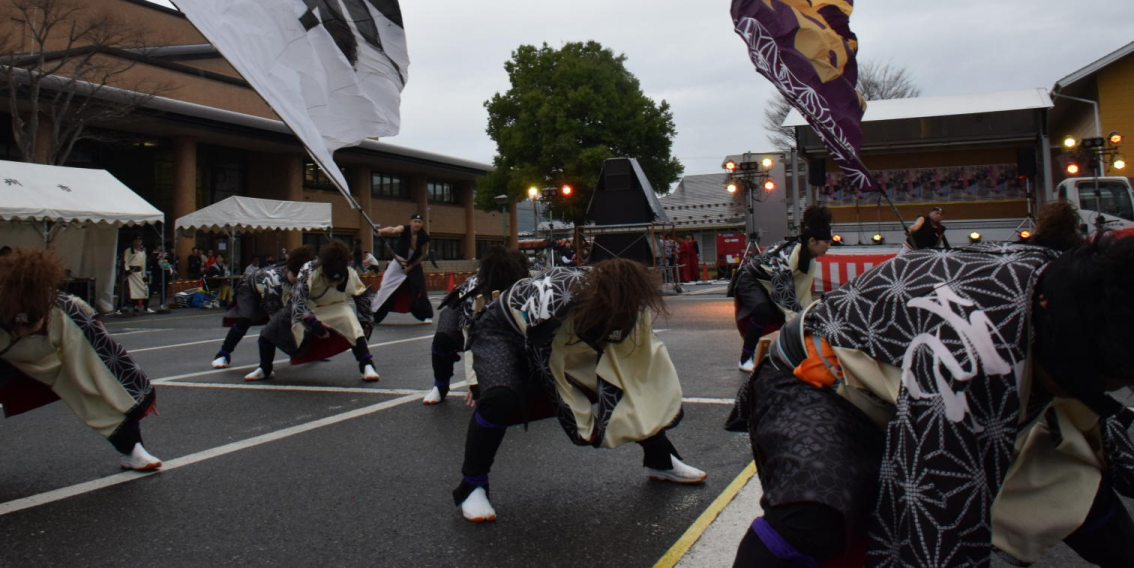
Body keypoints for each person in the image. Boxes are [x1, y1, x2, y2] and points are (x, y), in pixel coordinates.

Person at [729, 235, 1134, 568]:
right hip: (819, 374)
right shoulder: (973, 355)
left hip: (928, 372)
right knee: (819, 510)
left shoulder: (1060, 270)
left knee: (1075, 483)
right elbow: (938, 520)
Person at [453, 259, 707, 523]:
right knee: (499, 397)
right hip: (503, 330)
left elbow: (636, 369)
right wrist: (587, 429)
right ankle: (473, 486)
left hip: (565, 333)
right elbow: (554, 376)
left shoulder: (628, 300)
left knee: (626, 383)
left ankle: (661, 459)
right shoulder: (558, 304)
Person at [0, 249, 160, 486]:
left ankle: (132, 450)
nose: (24, 331)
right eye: (17, 324)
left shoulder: (66, 308)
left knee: (93, 389)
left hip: (45, 362)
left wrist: (139, 394)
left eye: (31, 324)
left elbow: (107, 353)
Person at [247, 241, 378, 382]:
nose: (332, 284)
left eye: (337, 282)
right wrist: (313, 323)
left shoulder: (349, 273)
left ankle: (366, 365)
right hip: (307, 307)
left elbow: (362, 298)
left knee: (352, 324)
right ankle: (264, 368)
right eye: (328, 280)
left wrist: (366, 323)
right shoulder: (308, 269)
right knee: (269, 331)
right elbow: (298, 299)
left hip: (336, 307)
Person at [422, 245, 528, 405]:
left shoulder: (524, 286)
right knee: (443, 339)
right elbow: (473, 339)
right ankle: (440, 385)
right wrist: (475, 383)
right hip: (461, 316)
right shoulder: (475, 292)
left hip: (501, 321)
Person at [732, 206, 833, 372]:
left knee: (795, 316)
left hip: (769, 282)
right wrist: (797, 321)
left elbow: (802, 294)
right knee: (763, 310)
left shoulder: (811, 259)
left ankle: (793, 357)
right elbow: (783, 292)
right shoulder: (791, 252)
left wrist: (807, 317)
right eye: (826, 242)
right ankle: (745, 359)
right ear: (812, 241)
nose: (829, 246)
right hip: (750, 279)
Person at [211, 246, 311, 369]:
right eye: (296, 276)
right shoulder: (272, 281)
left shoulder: (302, 278)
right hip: (249, 289)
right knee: (246, 319)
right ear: (288, 271)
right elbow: (276, 321)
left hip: (273, 292)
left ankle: (307, 352)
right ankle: (223, 354)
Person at [373, 214, 432, 322]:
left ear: (422, 224)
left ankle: (425, 315)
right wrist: (380, 231)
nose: (417, 224)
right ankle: (375, 314)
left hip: (413, 264)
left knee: (419, 289)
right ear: (410, 222)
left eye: (419, 222)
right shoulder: (404, 229)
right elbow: (393, 230)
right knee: (385, 286)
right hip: (398, 261)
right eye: (415, 221)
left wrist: (410, 267)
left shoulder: (424, 237)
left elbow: (422, 255)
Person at [121, 237, 149, 315]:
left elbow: (143, 264)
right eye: (136, 240)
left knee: (142, 290)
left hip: (139, 273)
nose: (138, 242)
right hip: (131, 273)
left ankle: (136, 305)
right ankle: (125, 306)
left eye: (139, 241)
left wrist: (144, 275)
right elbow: (126, 261)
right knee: (129, 291)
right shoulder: (129, 250)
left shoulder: (142, 252)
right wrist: (127, 270)